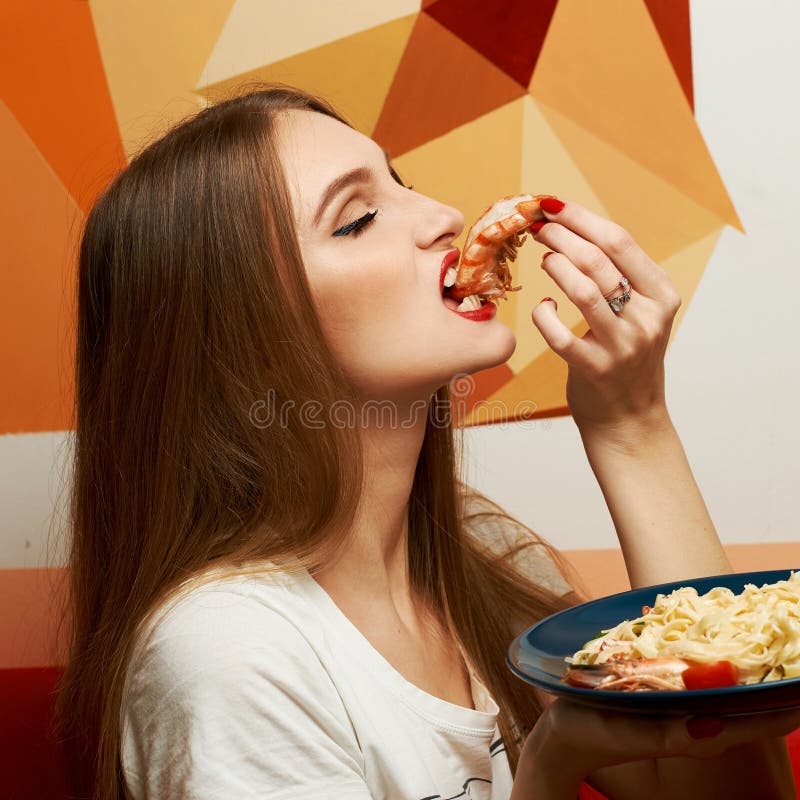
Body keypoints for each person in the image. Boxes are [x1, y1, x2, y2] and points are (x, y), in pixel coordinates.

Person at [53, 84, 800, 800]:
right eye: (356, 219)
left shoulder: (481, 558)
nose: (444, 214)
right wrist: (549, 767)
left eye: (399, 182)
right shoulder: (226, 654)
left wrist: (634, 428)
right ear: (239, 335)